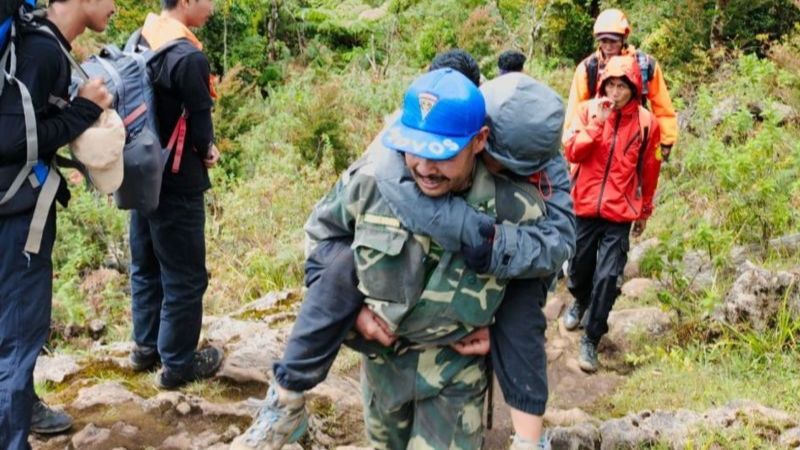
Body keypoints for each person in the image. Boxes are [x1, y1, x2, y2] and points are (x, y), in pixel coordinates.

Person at [232, 66, 573, 450]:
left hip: (455, 369)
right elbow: (322, 239)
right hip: (384, 362)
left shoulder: (516, 204)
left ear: (480, 142)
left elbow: (541, 271)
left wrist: (501, 332)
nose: (426, 167)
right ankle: (285, 405)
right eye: (417, 150)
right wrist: (353, 314)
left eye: (442, 155)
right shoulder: (373, 180)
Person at [0, 0, 115, 447]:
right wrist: (83, 112)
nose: (116, 6)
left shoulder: (34, 45)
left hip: (16, 209)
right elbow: (10, 138)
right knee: (17, 335)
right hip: (16, 218)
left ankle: (24, 407)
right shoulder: (41, 52)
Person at [126, 0, 223, 390]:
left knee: (146, 264)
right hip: (179, 182)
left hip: (141, 175)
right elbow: (200, 129)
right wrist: (209, 150)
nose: (213, 7)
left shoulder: (140, 37)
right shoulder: (187, 57)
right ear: (185, 1)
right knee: (185, 275)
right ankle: (178, 364)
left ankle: (145, 348)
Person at [562, 54, 662, 373]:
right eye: (611, 85)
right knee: (578, 269)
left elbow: (649, 170)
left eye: (622, 86)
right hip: (584, 205)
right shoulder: (586, 111)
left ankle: (591, 338)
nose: (615, 93)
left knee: (608, 276)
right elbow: (572, 151)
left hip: (619, 213)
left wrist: (645, 209)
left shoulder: (647, 123)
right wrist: (597, 123)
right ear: (603, 85)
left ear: (634, 88)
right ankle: (579, 299)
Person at [563, 8, 677, 162]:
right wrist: (571, 142)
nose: (608, 47)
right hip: (598, 141)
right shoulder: (588, 68)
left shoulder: (645, 65)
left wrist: (666, 141)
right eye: (604, 41)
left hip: (634, 142)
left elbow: (662, 107)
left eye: (613, 41)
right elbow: (575, 111)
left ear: (624, 38)